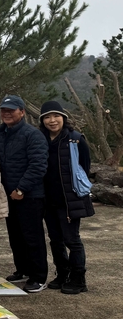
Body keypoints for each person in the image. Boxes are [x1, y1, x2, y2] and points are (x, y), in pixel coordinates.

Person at [39, 100, 94, 294]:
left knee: (72, 240)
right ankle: (63, 274)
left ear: (63, 118)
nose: (52, 120)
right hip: (49, 200)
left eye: (56, 116)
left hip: (69, 200)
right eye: (47, 117)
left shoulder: (75, 139)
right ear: (42, 120)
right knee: (55, 240)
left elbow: (85, 167)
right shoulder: (41, 140)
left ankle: (79, 279)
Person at [0, 95, 49, 293]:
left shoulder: (32, 135)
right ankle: (23, 270)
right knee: (15, 236)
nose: (7, 113)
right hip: (9, 195)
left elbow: (38, 165)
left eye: (11, 110)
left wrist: (21, 189)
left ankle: (39, 277)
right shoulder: (0, 133)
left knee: (32, 237)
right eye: (4, 110)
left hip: (29, 195)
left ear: (22, 112)